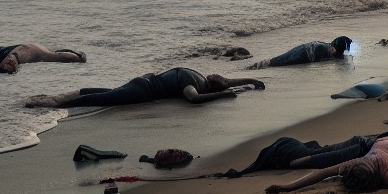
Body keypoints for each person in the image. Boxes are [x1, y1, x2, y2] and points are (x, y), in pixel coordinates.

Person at [24, 68, 262, 108]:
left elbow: (229, 81)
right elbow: (194, 99)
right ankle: (54, 103)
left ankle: (63, 95)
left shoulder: (197, 74)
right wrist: (223, 96)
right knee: (103, 99)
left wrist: (251, 81)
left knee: (107, 92)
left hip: (143, 81)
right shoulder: (192, 84)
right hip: (143, 91)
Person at [248, 35, 353, 69]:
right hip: (303, 52)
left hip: (306, 49)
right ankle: (258, 65)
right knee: (279, 61)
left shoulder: (332, 48)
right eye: (333, 50)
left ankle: (259, 65)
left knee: (278, 61)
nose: (332, 52)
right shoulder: (323, 48)